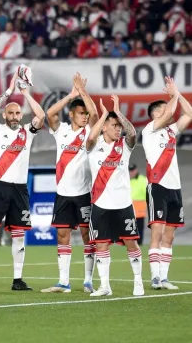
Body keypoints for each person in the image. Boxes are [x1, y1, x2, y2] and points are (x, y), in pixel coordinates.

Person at [0, 73, 46, 292]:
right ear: (4, 114)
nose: (15, 116)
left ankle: (17, 279)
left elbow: (41, 116)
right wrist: (9, 91)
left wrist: (26, 92)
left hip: (19, 190)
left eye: (18, 113)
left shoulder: (27, 133)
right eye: (11, 112)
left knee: (19, 236)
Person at [41, 72, 99, 294]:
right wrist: (71, 95)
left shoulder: (89, 132)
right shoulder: (62, 131)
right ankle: (63, 282)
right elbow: (50, 113)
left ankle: (87, 281)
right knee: (62, 235)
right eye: (81, 113)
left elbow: (94, 113)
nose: (85, 116)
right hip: (63, 193)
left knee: (86, 236)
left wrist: (83, 93)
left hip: (84, 193)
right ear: (72, 114)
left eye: (85, 113)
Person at [86, 95, 144, 297]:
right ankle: (104, 286)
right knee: (101, 244)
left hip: (123, 205)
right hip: (100, 204)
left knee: (131, 242)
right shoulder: (94, 147)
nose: (118, 128)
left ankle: (138, 282)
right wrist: (103, 115)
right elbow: (91, 138)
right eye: (114, 125)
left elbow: (133, 134)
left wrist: (118, 112)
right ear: (104, 127)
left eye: (119, 126)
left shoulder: (124, 147)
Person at [142, 76, 192, 290]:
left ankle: (164, 278)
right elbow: (171, 112)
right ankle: (154, 277)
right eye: (163, 109)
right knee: (158, 233)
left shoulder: (171, 131)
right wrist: (174, 95)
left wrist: (177, 95)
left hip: (175, 188)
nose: (167, 111)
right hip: (158, 186)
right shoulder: (149, 130)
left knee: (169, 237)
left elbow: (189, 114)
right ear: (155, 114)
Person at [129, 163, 147, 245]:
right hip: (129, 209)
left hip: (139, 208)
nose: (131, 172)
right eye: (130, 171)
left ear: (136, 170)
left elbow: (147, 193)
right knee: (128, 228)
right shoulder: (127, 180)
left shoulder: (143, 180)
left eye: (132, 170)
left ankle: (139, 244)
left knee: (139, 229)